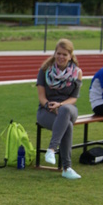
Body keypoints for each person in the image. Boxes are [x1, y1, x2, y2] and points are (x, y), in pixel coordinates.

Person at [36, 39, 83, 180]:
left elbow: (74, 98)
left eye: (65, 54)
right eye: (59, 53)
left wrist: (60, 105)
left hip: (69, 109)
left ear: (70, 56)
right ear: (55, 53)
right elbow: (42, 97)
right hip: (46, 110)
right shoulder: (44, 71)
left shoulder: (77, 72)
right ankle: (67, 168)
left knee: (65, 110)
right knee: (66, 125)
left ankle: (51, 149)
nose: (61, 57)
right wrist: (49, 106)